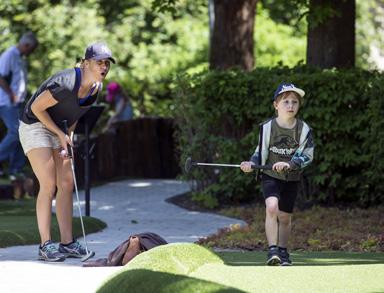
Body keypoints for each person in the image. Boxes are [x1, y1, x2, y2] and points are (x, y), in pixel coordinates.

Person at [18, 41, 115, 262]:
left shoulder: (95, 89)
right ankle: (45, 245)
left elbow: (73, 117)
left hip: (58, 128)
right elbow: (35, 108)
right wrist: (59, 134)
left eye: (107, 63)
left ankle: (67, 242)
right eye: (99, 62)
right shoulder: (66, 82)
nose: (104, 67)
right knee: (48, 183)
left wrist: (67, 138)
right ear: (86, 63)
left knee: (66, 184)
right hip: (34, 124)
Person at [240, 82, 314, 266]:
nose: (290, 106)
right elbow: (259, 151)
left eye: (294, 102)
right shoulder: (267, 127)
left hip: (291, 178)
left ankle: (282, 250)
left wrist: (289, 163)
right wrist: (251, 163)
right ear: (276, 105)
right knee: (272, 207)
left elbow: (307, 156)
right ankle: (272, 250)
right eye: (286, 101)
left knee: (285, 216)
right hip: (270, 176)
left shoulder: (304, 130)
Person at [0, 32, 38, 179]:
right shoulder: (9, 54)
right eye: (32, 49)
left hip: (18, 103)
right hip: (6, 102)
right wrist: (11, 94)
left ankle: (15, 169)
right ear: (26, 45)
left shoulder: (20, 58)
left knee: (24, 133)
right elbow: (1, 76)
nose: (31, 52)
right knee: (16, 131)